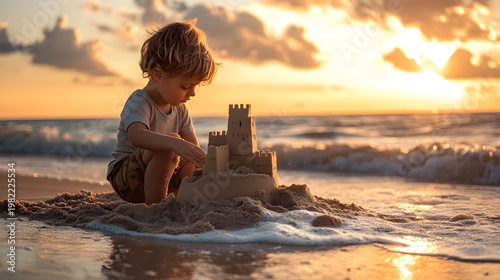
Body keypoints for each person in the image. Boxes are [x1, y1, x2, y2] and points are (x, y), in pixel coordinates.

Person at [107, 19, 220, 205]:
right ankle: (157, 209)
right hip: (127, 179)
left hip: (164, 174)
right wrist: (174, 143)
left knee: (188, 159)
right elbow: (137, 136)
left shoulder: (181, 109)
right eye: (185, 86)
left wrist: (202, 162)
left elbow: (192, 149)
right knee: (169, 148)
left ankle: (188, 200)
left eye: (195, 86)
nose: (192, 93)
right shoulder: (139, 101)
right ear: (159, 75)